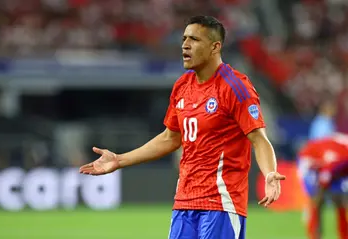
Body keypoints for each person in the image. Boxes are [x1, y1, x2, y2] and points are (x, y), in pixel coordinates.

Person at [79, 15, 286, 239]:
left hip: (221, 203)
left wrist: (270, 173)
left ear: (215, 47)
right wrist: (120, 160)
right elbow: (170, 138)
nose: (185, 45)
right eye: (184, 38)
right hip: (184, 202)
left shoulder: (235, 86)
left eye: (195, 39)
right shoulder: (182, 85)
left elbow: (259, 138)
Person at [298, 133, 348, 239]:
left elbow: (332, 170)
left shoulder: (342, 150)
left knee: (341, 204)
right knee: (315, 204)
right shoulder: (309, 154)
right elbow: (311, 173)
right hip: (316, 170)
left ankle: (344, 235)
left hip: (333, 172)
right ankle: (314, 235)